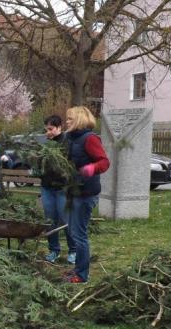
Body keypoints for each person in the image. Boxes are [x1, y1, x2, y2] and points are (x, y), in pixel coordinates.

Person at [63, 106, 110, 283]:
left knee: (79, 234)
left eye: (70, 119)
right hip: (72, 191)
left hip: (86, 193)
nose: (66, 121)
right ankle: (77, 269)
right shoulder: (69, 138)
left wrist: (91, 168)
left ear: (80, 119)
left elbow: (104, 162)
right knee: (73, 232)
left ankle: (82, 275)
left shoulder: (89, 139)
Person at [40, 115, 76, 265]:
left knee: (66, 219)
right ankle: (53, 250)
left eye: (51, 129)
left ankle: (73, 250)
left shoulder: (66, 143)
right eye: (46, 129)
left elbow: (68, 166)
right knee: (50, 220)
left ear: (59, 127)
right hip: (47, 188)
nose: (48, 132)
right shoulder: (45, 144)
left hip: (62, 188)